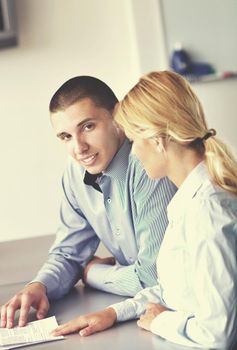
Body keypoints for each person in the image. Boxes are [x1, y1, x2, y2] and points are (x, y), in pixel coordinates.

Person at [52, 71, 237, 349]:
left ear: (158, 140)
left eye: (135, 139)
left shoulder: (208, 211)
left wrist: (160, 322)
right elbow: (173, 288)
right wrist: (114, 313)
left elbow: (219, 333)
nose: (134, 152)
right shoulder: (187, 201)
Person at [0, 76, 177, 328]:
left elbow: (154, 277)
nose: (78, 148)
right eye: (65, 136)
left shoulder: (150, 166)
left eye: (88, 127)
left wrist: (92, 274)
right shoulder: (75, 173)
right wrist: (40, 285)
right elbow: (69, 253)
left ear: (117, 116)